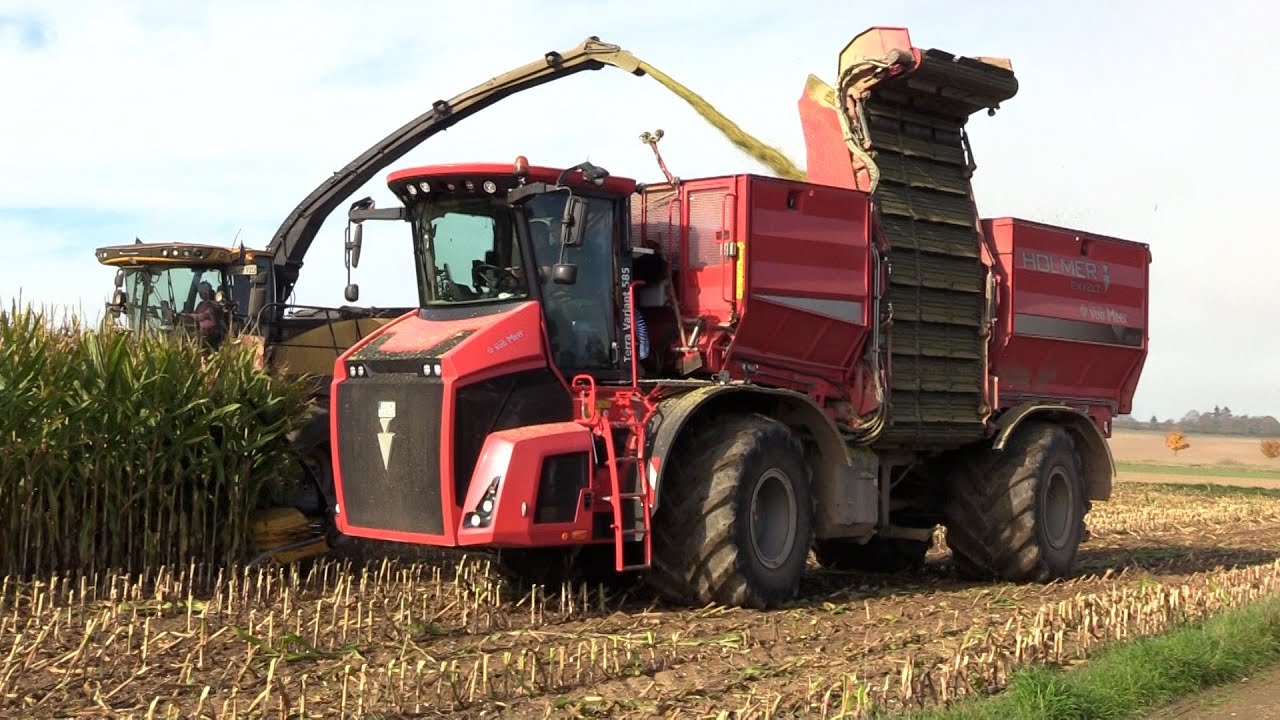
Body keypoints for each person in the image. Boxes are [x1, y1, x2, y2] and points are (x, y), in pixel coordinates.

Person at [192, 281, 226, 347]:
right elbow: (194, 316)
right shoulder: (200, 305)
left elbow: (203, 316)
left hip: (214, 336)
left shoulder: (214, 305)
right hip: (203, 334)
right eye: (201, 292)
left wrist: (188, 315)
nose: (202, 294)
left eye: (205, 292)